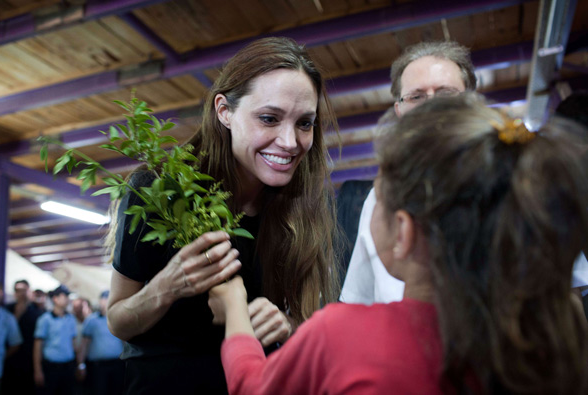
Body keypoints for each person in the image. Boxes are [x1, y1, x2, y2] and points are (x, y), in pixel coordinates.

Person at [208, 94, 588, 394]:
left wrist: (233, 303)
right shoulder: (550, 336)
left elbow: (252, 387)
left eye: (379, 196)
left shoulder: (345, 337)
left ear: (404, 232)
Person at [106, 36, 340, 393]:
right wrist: (167, 286)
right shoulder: (158, 191)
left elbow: (310, 326)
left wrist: (286, 324)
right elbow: (119, 320)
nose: (291, 142)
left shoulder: (299, 207)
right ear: (224, 111)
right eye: (269, 118)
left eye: (305, 123)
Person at [340, 41, 588, 304]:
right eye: (416, 96)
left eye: (446, 93)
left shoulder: (523, 177)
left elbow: (568, 297)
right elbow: (357, 303)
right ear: (399, 109)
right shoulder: (380, 199)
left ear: (472, 101)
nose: (432, 106)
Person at [76, 291, 124, 395]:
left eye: (108, 299)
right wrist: (80, 364)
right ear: (100, 301)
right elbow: (84, 344)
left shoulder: (118, 318)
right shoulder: (91, 320)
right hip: (99, 367)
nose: (105, 302)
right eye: (104, 299)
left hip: (117, 365)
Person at [2, 280, 45, 395]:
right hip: (10, 360)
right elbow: (3, 332)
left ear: (29, 292)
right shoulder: (7, 309)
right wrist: (17, 315)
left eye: (24, 290)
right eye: (18, 290)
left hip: (30, 361)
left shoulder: (37, 311)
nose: (21, 293)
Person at [33, 285, 77, 395]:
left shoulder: (71, 318)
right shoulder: (45, 319)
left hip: (68, 367)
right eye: (64, 295)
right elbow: (37, 346)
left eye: (68, 296)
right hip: (51, 368)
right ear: (55, 299)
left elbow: (73, 343)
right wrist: (38, 370)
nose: (67, 298)